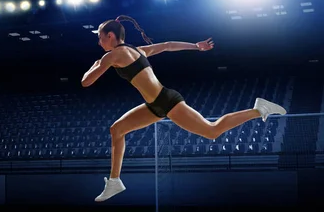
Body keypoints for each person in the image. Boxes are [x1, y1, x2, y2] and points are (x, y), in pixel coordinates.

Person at [81, 15, 287, 202]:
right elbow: (168, 45)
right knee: (117, 130)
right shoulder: (137, 51)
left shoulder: (112, 56)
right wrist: (196, 46)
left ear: (110, 35)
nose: (98, 42)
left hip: (167, 101)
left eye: (100, 37)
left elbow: (86, 82)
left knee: (212, 130)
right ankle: (115, 181)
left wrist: (95, 65)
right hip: (155, 105)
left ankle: (258, 109)